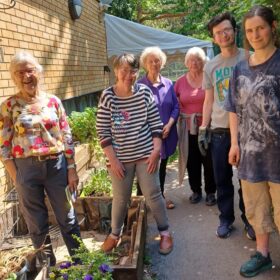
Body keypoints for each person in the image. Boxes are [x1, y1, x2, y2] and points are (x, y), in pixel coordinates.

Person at [0, 51, 81, 265]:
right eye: (20, 72)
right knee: (36, 223)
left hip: (57, 166)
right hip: (26, 169)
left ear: (39, 72)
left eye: (30, 70)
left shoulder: (53, 101)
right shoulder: (8, 106)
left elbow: (67, 135)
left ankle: (81, 262)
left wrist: (71, 167)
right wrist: (16, 175)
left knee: (67, 216)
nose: (26, 76)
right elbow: (3, 144)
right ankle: (49, 267)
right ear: (14, 77)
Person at [96, 53, 173, 255]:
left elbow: (156, 124)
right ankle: (115, 235)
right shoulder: (108, 96)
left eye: (133, 71)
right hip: (119, 159)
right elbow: (102, 130)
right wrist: (113, 160)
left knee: (153, 195)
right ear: (116, 72)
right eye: (124, 70)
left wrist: (156, 150)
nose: (128, 75)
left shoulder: (144, 93)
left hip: (145, 155)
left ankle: (165, 233)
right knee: (120, 198)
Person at [225, 5, 280, 277]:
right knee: (256, 209)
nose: (255, 34)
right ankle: (263, 254)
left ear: (273, 27)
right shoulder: (240, 69)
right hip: (250, 154)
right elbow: (233, 109)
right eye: (250, 30)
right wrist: (234, 143)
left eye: (260, 27)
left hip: (278, 156)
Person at [199, 12, 255, 240]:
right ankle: (225, 219)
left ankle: (250, 220)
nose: (223, 35)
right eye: (217, 33)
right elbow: (208, 100)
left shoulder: (250, 57)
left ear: (235, 30)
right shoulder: (210, 66)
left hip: (248, 129)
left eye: (226, 30)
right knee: (222, 179)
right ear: (213, 39)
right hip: (220, 131)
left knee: (247, 181)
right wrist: (204, 128)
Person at [138, 46, 179, 209]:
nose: (154, 64)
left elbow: (176, 107)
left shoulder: (168, 84)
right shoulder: (140, 86)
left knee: (161, 166)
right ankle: (141, 201)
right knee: (145, 168)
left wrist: (169, 124)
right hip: (147, 137)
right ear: (145, 64)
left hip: (166, 134)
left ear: (162, 63)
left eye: (157, 61)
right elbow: (137, 111)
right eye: (151, 61)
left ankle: (159, 196)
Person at [175, 47, 216, 206]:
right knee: (192, 160)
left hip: (207, 126)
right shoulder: (179, 82)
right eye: (191, 60)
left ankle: (211, 192)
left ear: (203, 61)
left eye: (198, 59)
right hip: (188, 128)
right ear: (186, 63)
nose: (195, 63)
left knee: (209, 160)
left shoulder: (208, 78)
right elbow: (174, 104)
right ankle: (196, 190)